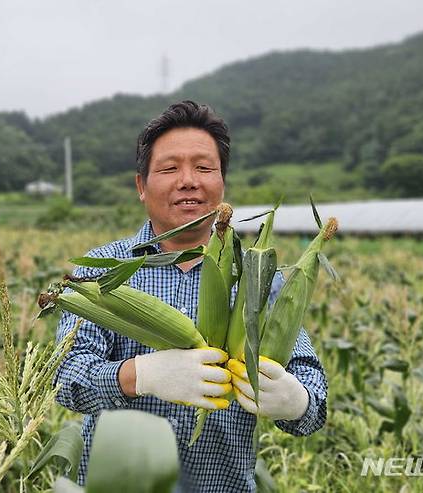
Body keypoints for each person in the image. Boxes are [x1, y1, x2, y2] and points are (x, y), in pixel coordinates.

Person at [54, 100, 327, 492]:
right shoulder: (102, 268)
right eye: (169, 168)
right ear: (140, 186)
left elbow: (312, 398)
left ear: (222, 183)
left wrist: (295, 400)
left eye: (204, 168)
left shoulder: (258, 276)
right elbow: (66, 379)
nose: (189, 181)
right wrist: (139, 375)